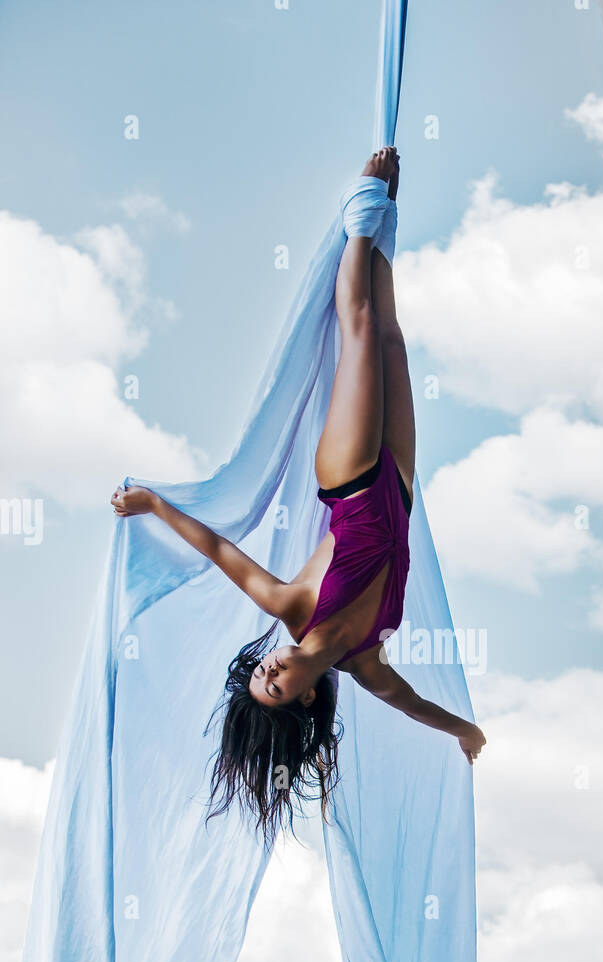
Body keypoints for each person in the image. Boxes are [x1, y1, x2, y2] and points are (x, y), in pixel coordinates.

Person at [112, 147, 486, 845]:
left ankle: (362, 210)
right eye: (277, 685)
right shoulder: (367, 666)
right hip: (396, 488)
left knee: (363, 332)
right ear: (307, 695)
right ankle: (385, 219)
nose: (272, 667)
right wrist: (466, 730)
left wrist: (156, 506)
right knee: (395, 341)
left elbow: (222, 550)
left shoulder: (291, 607)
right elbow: (419, 708)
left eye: (262, 673)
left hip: (347, 477)